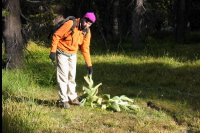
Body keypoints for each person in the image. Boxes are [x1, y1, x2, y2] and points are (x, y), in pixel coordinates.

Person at [49, 12, 96, 109]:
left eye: (89, 24)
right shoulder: (71, 23)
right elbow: (56, 35)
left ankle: (73, 97)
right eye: (86, 22)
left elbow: (85, 48)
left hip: (72, 54)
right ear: (83, 18)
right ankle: (64, 100)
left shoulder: (87, 31)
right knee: (63, 76)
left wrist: (89, 64)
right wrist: (53, 51)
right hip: (62, 52)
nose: (86, 25)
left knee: (71, 76)